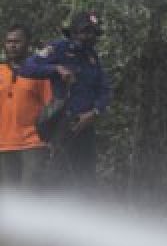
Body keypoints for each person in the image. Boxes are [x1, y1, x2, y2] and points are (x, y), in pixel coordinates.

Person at [18, 11, 111, 188]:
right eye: (85, 31)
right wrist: (56, 69)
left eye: (93, 32)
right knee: (59, 177)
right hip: (63, 124)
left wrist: (95, 111)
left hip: (86, 125)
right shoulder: (58, 48)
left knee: (86, 178)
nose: (89, 36)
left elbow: (104, 89)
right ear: (74, 32)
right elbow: (27, 68)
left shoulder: (93, 57)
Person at [0, 24, 52, 187]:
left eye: (17, 41)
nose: (13, 45)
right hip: (4, 144)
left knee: (30, 197)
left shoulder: (40, 72)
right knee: (9, 199)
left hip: (33, 143)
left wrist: (52, 139)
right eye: (9, 41)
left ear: (28, 43)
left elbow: (51, 106)